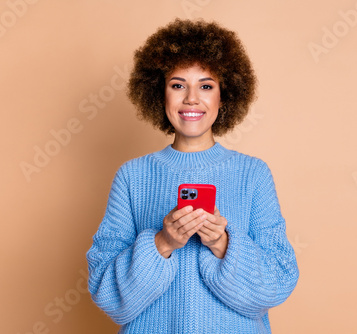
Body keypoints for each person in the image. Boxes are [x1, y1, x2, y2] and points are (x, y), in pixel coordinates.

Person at [86, 18, 299, 334]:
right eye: (177, 85)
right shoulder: (132, 177)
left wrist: (223, 244)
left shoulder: (253, 174)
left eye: (206, 85)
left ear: (224, 96)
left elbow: (278, 282)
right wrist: (162, 243)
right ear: (160, 93)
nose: (191, 99)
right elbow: (108, 294)